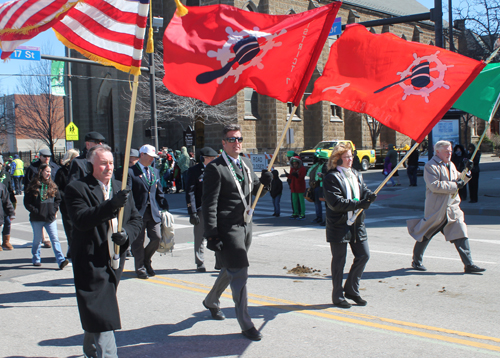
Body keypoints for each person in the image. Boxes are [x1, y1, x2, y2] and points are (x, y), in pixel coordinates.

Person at [65, 144, 142, 357]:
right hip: (90, 260)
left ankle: (90, 348)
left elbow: (136, 219)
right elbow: (81, 220)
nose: (108, 167)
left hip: (115, 259)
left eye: (111, 163)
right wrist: (111, 206)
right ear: (92, 165)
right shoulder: (77, 188)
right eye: (103, 163)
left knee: (99, 308)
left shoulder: (121, 187)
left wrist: (126, 234)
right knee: (102, 310)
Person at [202, 124, 272, 341]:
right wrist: (212, 235)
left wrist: (267, 183)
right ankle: (246, 323)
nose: (236, 143)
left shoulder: (246, 162)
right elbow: (209, 204)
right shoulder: (216, 167)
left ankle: (211, 300)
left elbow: (254, 191)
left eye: (239, 139)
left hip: (246, 225)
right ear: (223, 143)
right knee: (240, 273)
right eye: (231, 139)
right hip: (228, 229)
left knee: (232, 269)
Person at [407, 140, 485, 274]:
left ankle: (469, 264)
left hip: (451, 208)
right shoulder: (430, 166)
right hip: (437, 210)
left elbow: (460, 180)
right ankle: (416, 261)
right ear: (438, 152)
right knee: (426, 234)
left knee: (461, 233)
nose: (450, 153)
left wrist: (467, 172)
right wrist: (456, 185)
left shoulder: (451, 165)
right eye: (447, 151)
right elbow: (435, 186)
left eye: (450, 150)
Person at [323, 142, 376, 309]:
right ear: (338, 159)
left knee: (363, 255)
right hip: (339, 224)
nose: (350, 159)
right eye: (346, 157)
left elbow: (363, 189)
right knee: (339, 260)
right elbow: (336, 203)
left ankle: (352, 289)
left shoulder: (356, 174)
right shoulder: (331, 177)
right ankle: (337, 295)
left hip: (357, 223)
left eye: (351, 156)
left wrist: (369, 195)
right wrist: (359, 203)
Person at [128, 144, 169, 279]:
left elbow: (158, 191)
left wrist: (164, 206)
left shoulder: (154, 172)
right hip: (138, 213)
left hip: (153, 212)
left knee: (156, 238)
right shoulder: (131, 172)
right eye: (150, 157)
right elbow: (128, 194)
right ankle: (140, 268)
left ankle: (146, 259)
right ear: (142, 155)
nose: (152, 160)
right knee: (138, 242)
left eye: (154, 158)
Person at [24, 163, 69, 269]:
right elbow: (27, 203)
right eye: (46, 171)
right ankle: (36, 257)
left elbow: (58, 199)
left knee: (55, 239)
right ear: (40, 172)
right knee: (37, 240)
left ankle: (61, 260)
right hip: (37, 218)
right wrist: (36, 211)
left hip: (50, 218)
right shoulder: (33, 186)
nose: (48, 174)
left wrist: (54, 209)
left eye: (49, 172)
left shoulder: (52, 185)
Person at [185, 147, 218, 272]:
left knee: (218, 234)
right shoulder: (194, 171)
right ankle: (200, 262)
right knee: (199, 237)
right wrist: (192, 211)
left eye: (213, 158)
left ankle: (219, 261)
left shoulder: (217, 169)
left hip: (216, 208)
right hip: (201, 208)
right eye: (209, 158)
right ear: (202, 158)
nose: (211, 160)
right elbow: (190, 192)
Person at [24, 149, 61, 248]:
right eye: (45, 156)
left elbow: (58, 181)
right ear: (40, 156)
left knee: (51, 218)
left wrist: (55, 207)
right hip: (38, 198)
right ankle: (44, 239)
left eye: (48, 156)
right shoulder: (33, 168)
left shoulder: (54, 167)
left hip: (51, 197)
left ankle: (48, 239)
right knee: (40, 218)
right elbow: (27, 184)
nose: (47, 158)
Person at [54, 149, 80, 257]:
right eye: (76, 157)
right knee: (69, 228)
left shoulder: (79, 169)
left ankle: (78, 248)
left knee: (79, 227)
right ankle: (72, 248)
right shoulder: (62, 171)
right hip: (66, 205)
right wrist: (65, 196)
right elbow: (57, 188)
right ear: (71, 159)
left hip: (78, 203)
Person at [307, 151, 329, 224]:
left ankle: (325, 220)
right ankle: (319, 217)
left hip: (321, 186)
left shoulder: (325, 166)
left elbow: (327, 176)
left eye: (318, 158)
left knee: (325, 204)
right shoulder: (318, 165)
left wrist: (321, 176)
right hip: (316, 186)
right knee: (317, 203)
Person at [0, 172, 15, 251]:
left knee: (7, 222)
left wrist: (11, 212)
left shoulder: (1, 186)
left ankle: (6, 241)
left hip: (2, 210)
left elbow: (6, 201)